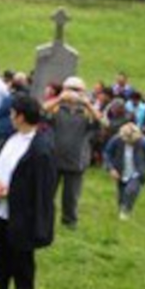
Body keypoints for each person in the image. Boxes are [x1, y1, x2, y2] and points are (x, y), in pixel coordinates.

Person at [0, 95, 56, 289]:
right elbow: (0, 166)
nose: (11, 116)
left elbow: (40, 186)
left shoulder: (40, 148)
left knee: (21, 256)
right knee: (0, 251)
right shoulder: (11, 138)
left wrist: (8, 192)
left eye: (13, 113)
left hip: (23, 212)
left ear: (21, 117)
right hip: (3, 208)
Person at [45, 77, 104, 230]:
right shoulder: (57, 108)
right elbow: (40, 112)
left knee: (71, 196)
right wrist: (59, 99)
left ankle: (69, 222)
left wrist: (87, 103)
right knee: (47, 192)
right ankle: (44, 218)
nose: (72, 93)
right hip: (54, 157)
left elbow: (102, 123)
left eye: (76, 90)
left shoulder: (87, 112)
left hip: (76, 160)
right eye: (69, 89)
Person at [104, 122, 145, 221]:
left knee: (130, 191)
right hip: (121, 172)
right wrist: (111, 168)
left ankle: (126, 212)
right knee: (122, 196)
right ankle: (123, 210)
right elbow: (107, 153)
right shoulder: (116, 140)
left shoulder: (143, 142)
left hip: (138, 172)